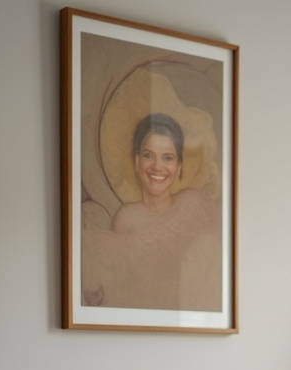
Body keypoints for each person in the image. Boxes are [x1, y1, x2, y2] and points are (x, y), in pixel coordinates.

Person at [82, 112, 223, 312]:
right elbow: (124, 289)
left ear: (179, 166)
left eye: (168, 158)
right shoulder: (126, 219)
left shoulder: (195, 204)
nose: (157, 166)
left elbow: (216, 271)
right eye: (149, 155)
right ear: (137, 162)